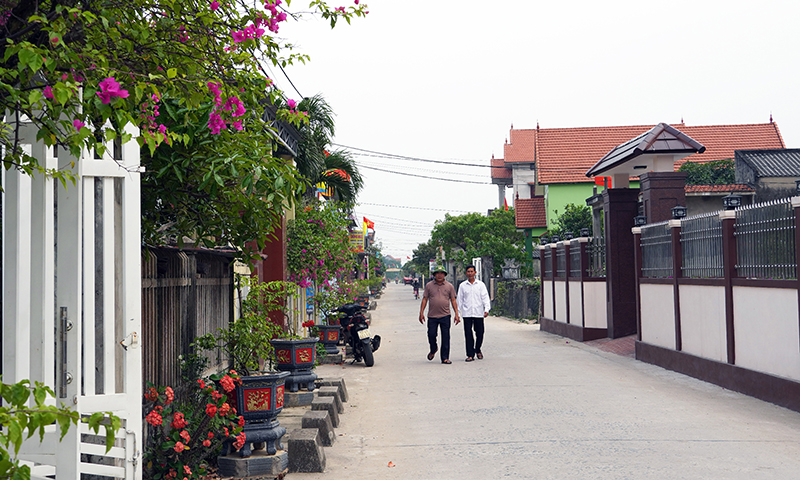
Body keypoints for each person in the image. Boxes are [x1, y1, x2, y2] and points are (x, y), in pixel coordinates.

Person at [419, 265, 459, 364]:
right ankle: (433, 349)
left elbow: (453, 300)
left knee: (446, 337)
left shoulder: (449, 286)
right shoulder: (429, 285)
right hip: (432, 316)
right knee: (431, 334)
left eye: (441, 273)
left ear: (444, 275)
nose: (439, 275)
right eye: (437, 273)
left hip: (445, 315)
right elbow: (425, 299)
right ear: (434, 274)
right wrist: (421, 313)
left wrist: (456, 314)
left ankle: (445, 357)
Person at [456, 265, 491, 362]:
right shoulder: (462, 286)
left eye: (472, 271)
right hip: (467, 313)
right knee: (468, 334)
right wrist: (457, 314)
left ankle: (478, 349)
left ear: (475, 272)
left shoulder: (480, 285)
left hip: (478, 313)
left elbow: (485, 298)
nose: (470, 273)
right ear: (466, 273)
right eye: (468, 271)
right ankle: (470, 354)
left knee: (480, 333)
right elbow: (460, 300)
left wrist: (486, 309)